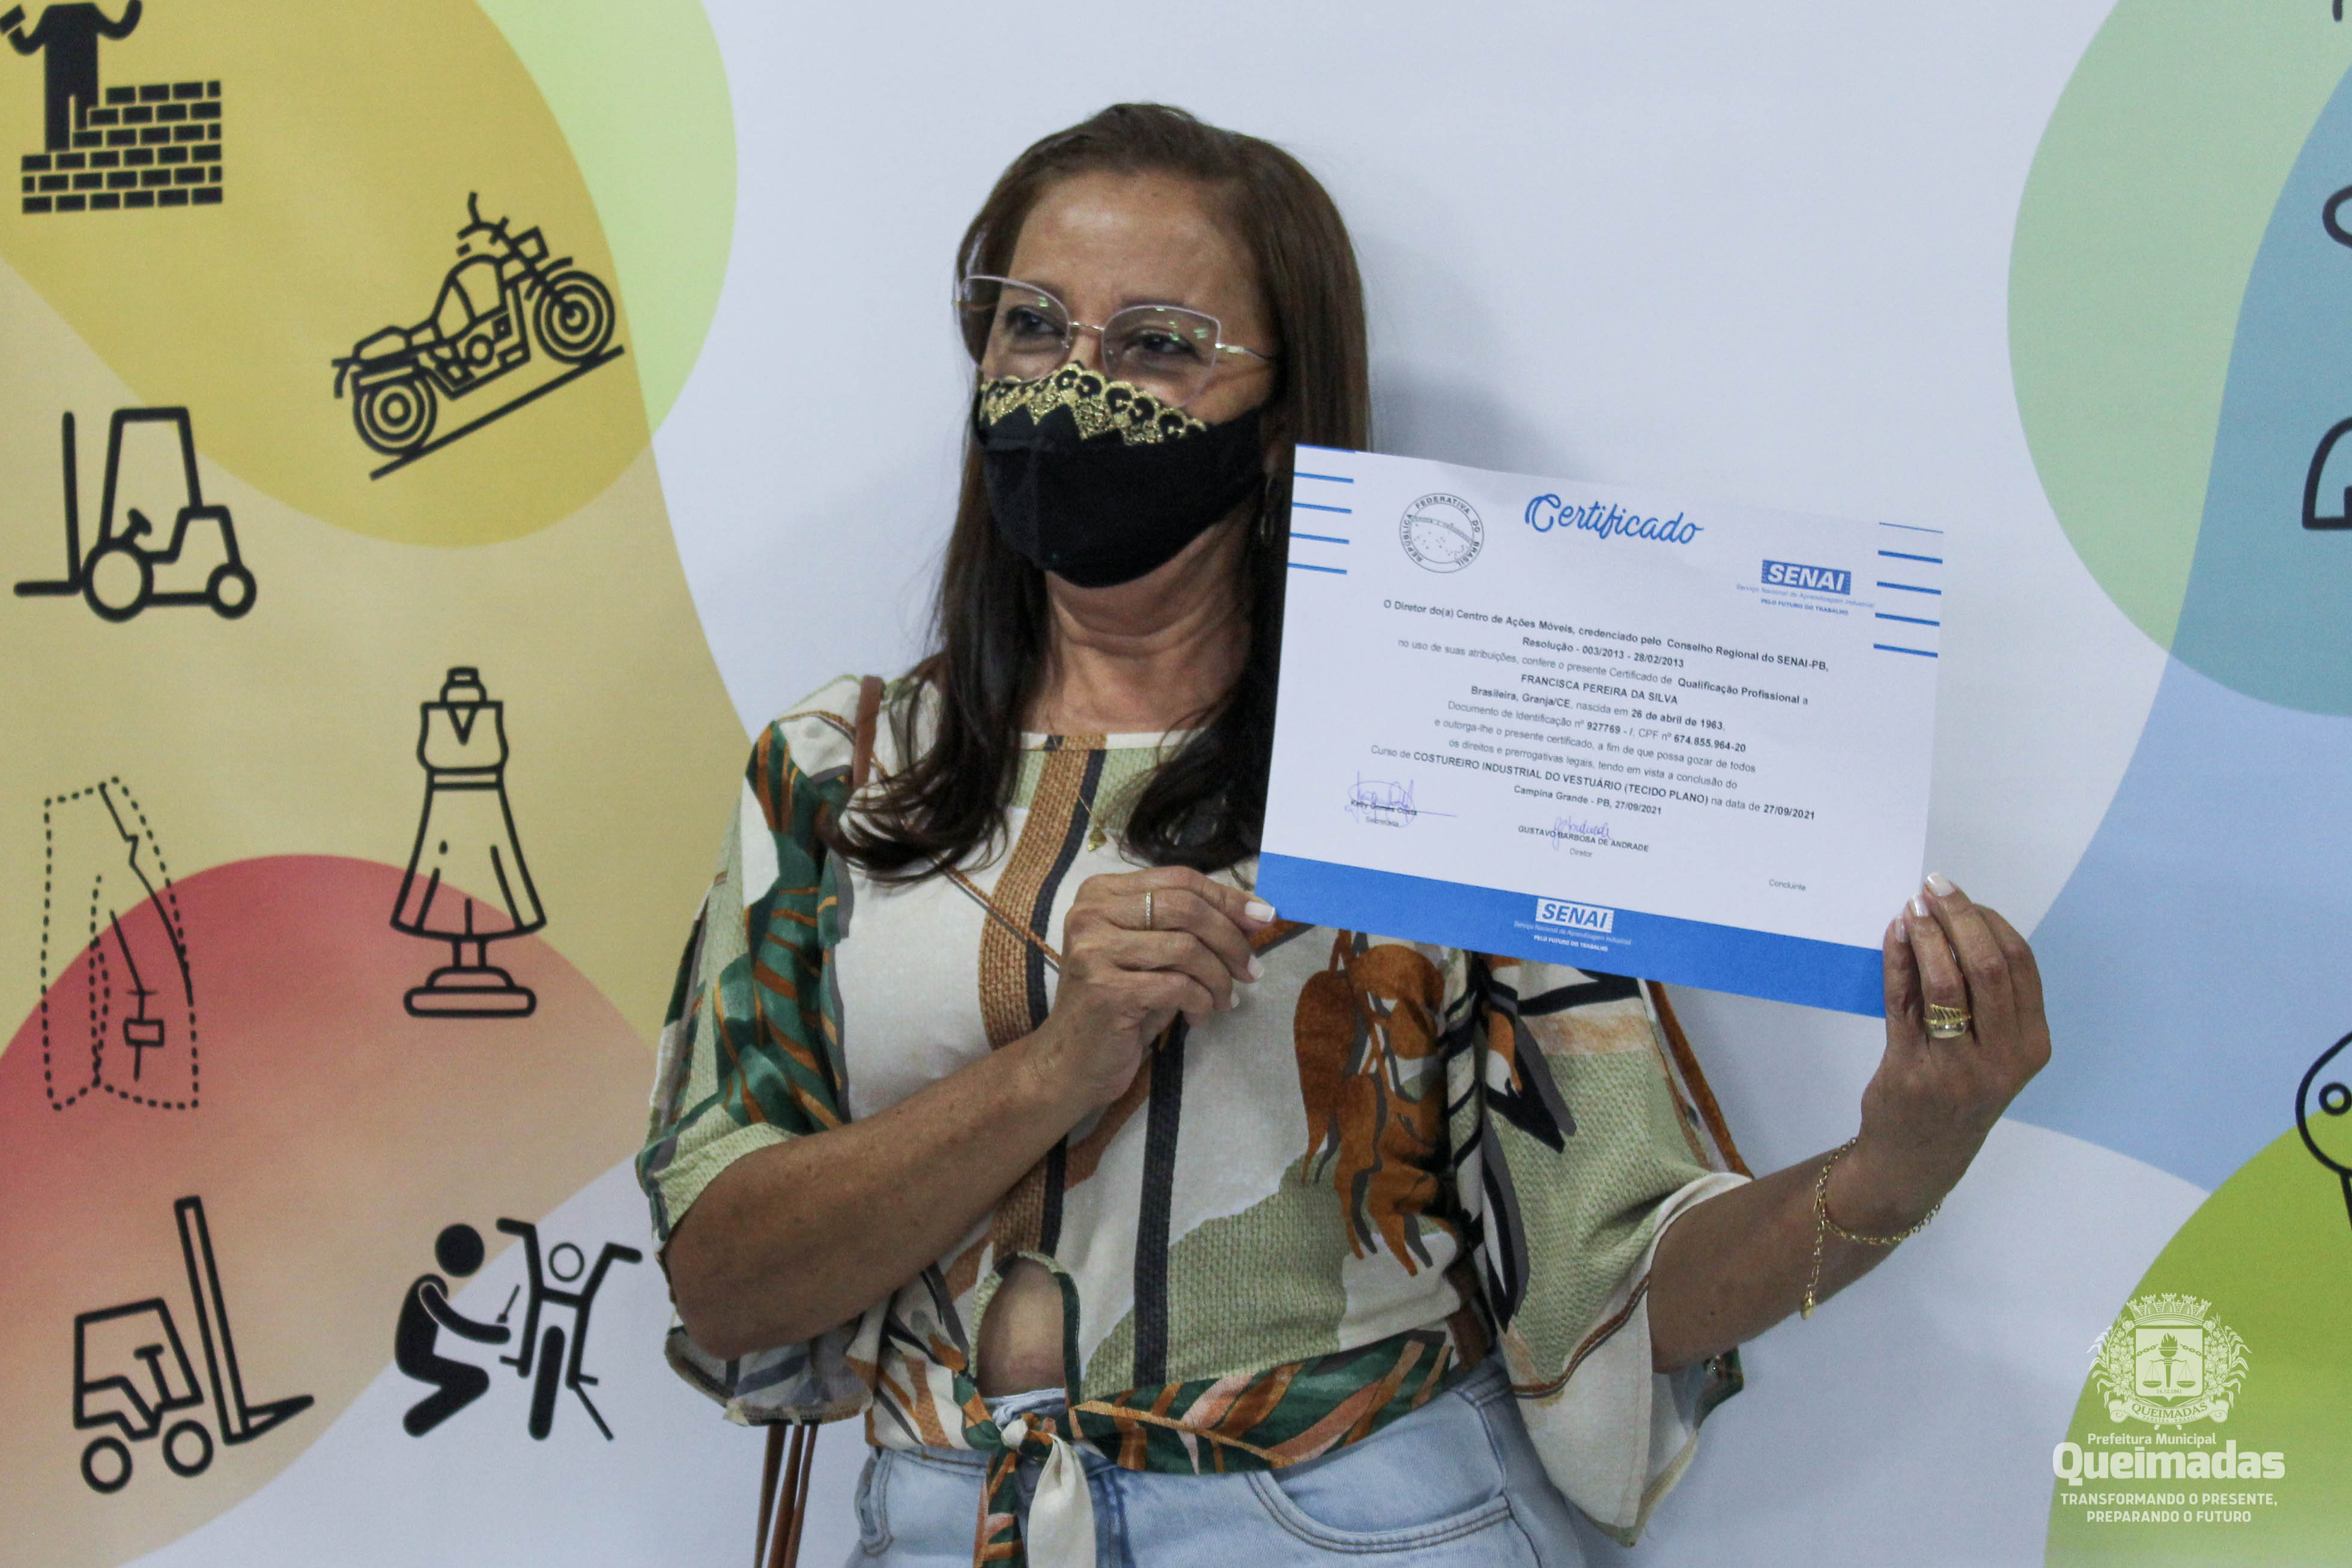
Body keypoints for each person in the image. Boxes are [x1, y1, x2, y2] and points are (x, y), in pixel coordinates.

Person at [637, 103, 2051, 1567]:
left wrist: (1896, 1164)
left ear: (1277, 422)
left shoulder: (1444, 758)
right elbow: (726, 1284)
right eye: (1031, 326)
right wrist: (1059, 1065)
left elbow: (1617, 1293)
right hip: (947, 1521)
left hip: (1355, 1523)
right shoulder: (841, 775)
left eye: (1158, 345)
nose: (1074, 387)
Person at [2, 2, 141, 152]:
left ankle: (68, 153)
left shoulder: (57, 14)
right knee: (78, 121)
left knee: (72, 122)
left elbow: (26, 45)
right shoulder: (83, 12)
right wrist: (135, 6)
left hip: (66, 78)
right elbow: (119, 30)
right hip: (75, 77)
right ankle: (74, 153)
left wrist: (12, 21)